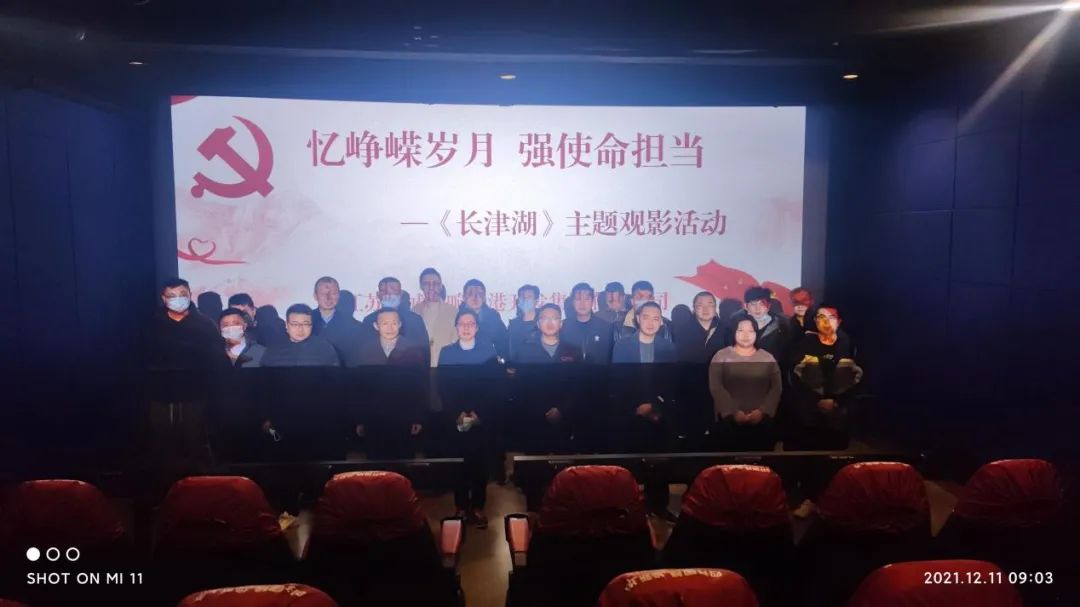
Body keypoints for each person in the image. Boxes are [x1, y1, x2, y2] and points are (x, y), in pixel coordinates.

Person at [610, 301, 678, 519]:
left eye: (656, 318)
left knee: (660, 462)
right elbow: (618, 381)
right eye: (646, 317)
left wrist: (655, 406)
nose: (651, 322)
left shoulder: (668, 348)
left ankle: (659, 506)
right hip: (630, 412)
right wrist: (635, 406)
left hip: (659, 413)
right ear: (638, 319)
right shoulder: (622, 346)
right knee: (629, 463)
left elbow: (671, 383)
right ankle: (628, 507)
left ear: (661, 322)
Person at [438, 309, 503, 528]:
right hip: (456, 418)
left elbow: (493, 388)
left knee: (479, 466)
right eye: (462, 323)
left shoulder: (488, 352)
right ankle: (460, 507)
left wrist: (478, 413)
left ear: (477, 327)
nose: (466, 327)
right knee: (459, 464)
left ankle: (477, 507)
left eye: (471, 323)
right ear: (456, 327)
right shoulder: (447, 353)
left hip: (481, 418)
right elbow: (443, 387)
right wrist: (457, 413)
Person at [347, 307, 427, 460]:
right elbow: (358, 389)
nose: (390, 328)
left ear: (400, 324)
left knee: (403, 462)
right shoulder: (364, 351)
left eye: (394, 323)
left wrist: (418, 418)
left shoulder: (414, 350)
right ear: (376, 326)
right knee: (376, 463)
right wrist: (359, 419)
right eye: (384, 324)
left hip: (403, 418)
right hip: (374, 419)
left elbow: (419, 387)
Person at [786, 305, 861, 451]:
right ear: (815, 321)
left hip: (839, 410)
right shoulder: (802, 345)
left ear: (839, 321)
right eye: (821, 317)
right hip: (808, 410)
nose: (826, 322)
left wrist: (836, 400)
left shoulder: (849, 345)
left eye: (831, 317)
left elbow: (856, 379)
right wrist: (816, 400)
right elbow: (795, 379)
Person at [513, 304, 583, 454]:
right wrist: (542, 410)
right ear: (538, 324)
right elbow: (521, 388)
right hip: (533, 421)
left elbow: (578, 387)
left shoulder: (574, 351)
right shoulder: (525, 351)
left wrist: (561, 409)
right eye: (545, 318)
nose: (550, 323)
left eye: (554, 318)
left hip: (566, 420)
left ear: (561, 323)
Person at [708, 318, 782, 451]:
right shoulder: (721, 356)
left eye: (751, 331)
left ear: (756, 333)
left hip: (762, 421)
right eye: (741, 330)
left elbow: (776, 387)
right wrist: (733, 411)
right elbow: (716, 386)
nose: (746, 335)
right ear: (733, 332)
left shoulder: (767, 357)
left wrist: (763, 411)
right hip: (728, 422)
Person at [361, 277, 431, 366]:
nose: (388, 294)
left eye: (393, 289)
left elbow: (424, 352)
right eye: (383, 291)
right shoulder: (369, 320)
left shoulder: (415, 320)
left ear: (401, 294)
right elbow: (364, 352)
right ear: (378, 295)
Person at [726, 286, 792, 363]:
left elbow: (786, 354)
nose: (758, 308)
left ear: (769, 306)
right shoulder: (735, 323)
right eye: (753, 304)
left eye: (762, 303)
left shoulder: (781, 325)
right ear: (746, 306)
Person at [261, 304, 342, 367]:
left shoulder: (325, 348)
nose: (300, 329)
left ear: (311, 325)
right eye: (295, 324)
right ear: (286, 325)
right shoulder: (273, 350)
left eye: (305, 324)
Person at [413, 267, 459, 366]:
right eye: (426, 284)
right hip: (420, 367)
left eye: (435, 284)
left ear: (441, 286)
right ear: (421, 286)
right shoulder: (414, 311)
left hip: (445, 366)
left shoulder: (453, 311)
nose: (431, 287)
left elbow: (457, 343)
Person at [560, 282, 615, 364]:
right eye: (578, 299)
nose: (582, 303)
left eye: (587, 299)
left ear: (592, 301)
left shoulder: (606, 328)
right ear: (572, 302)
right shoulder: (563, 327)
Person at [461, 278, 509, 358]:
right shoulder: (455, 316)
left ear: (484, 298)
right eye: (470, 293)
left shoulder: (493, 317)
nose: (475, 297)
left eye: (480, 293)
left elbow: (503, 343)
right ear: (464, 297)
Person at [673, 292, 725, 363]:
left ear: (715, 308)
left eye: (710, 305)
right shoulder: (682, 332)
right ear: (694, 308)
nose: (705, 309)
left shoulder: (726, 330)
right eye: (700, 305)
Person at [507, 284, 540, 362]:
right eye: (522, 297)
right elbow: (509, 349)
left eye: (529, 296)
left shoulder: (543, 322)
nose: (525, 299)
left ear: (536, 301)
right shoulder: (513, 325)